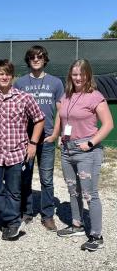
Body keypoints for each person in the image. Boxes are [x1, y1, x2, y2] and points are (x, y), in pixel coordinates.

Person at [50, 59, 113, 251]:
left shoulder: (95, 96)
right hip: (68, 150)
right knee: (73, 190)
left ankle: (96, 235)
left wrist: (91, 142)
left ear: (88, 75)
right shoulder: (67, 96)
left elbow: (109, 124)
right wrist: (60, 136)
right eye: (74, 74)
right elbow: (61, 118)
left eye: (81, 74)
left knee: (89, 194)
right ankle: (77, 225)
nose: (78, 78)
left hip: (87, 151)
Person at [0, 59, 45, 241]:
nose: (4, 77)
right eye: (1, 73)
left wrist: (33, 143)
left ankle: (11, 225)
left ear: (12, 76)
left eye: (7, 73)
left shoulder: (24, 98)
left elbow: (39, 119)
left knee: (14, 192)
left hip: (17, 153)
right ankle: (13, 218)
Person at [13, 45, 64, 231]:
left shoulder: (56, 83)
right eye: (33, 57)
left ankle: (48, 215)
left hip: (47, 138)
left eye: (40, 57)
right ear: (28, 60)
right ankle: (26, 211)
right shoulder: (20, 83)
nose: (36, 60)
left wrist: (56, 133)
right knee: (25, 176)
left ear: (45, 60)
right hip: (26, 139)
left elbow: (60, 110)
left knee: (47, 178)